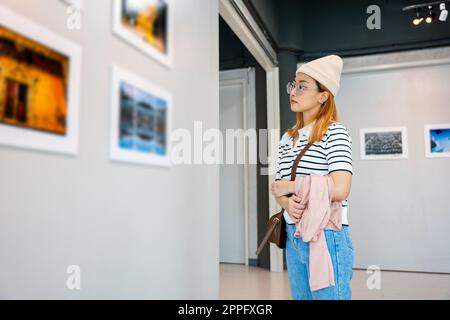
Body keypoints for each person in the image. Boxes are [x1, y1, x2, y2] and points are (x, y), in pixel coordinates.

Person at [270, 55, 354, 300]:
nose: (293, 91)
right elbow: (279, 188)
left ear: (323, 96)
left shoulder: (334, 132)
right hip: (293, 232)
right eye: (293, 85)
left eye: (302, 86)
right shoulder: (289, 137)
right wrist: (286, 202)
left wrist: (292, 187)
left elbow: (341, 189)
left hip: (327, 234)